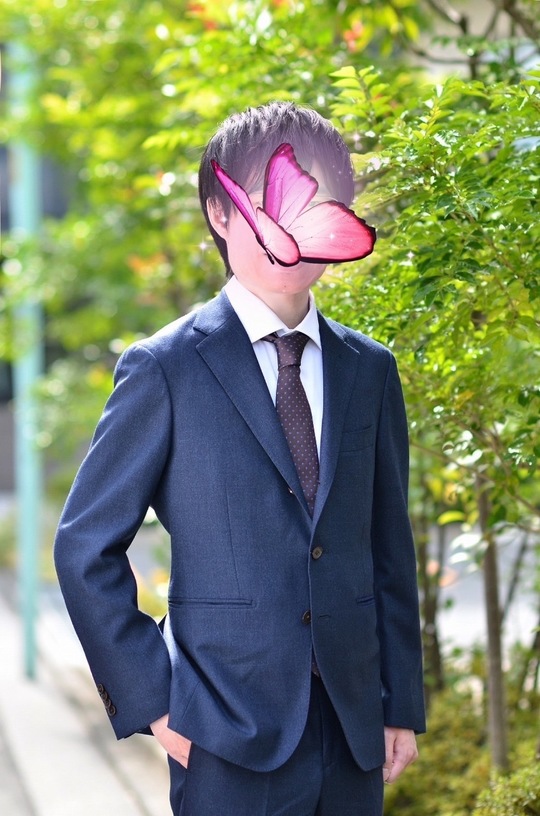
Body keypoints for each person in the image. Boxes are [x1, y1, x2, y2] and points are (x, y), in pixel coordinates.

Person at [54, 101, 426, 816]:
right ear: (220, 214)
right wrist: (155, 703)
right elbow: (84, 547)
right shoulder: (165, 368)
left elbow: (387, 547)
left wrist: (399, 701)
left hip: (354, 728)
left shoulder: (369, 369)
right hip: (223, 729)